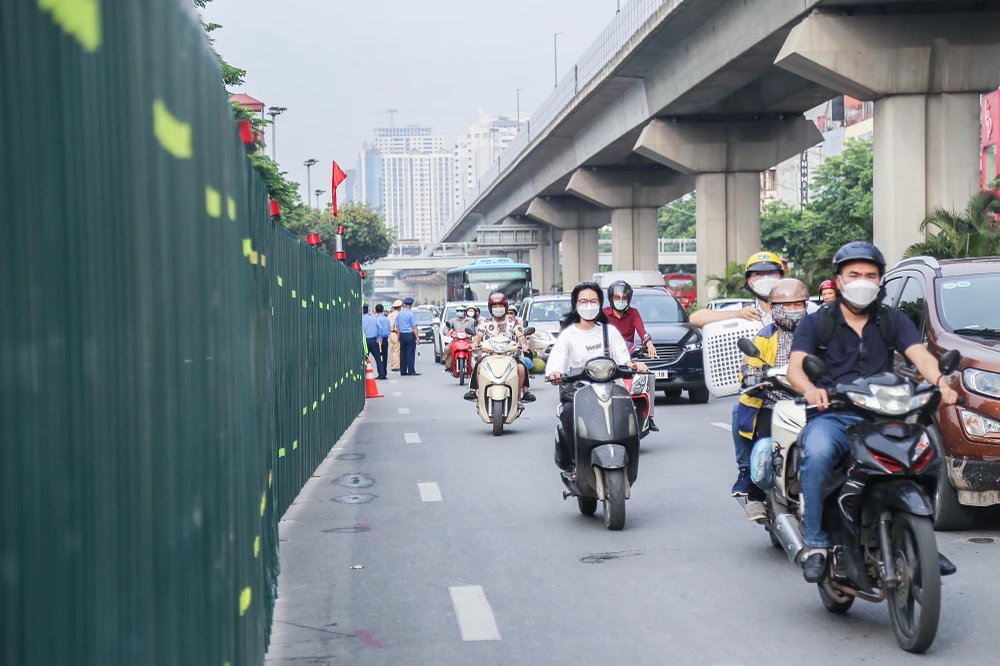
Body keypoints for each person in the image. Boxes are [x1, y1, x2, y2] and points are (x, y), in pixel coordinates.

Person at [787, 242, 959, 582]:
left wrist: (941, 382)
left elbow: (920, 356)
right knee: (818, 453)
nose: (862, 281)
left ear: (880, 281)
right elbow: (795, 368)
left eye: (870, 275)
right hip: (833, 415)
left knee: (925, 453)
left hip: (885, 416)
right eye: (854, 275)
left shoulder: (892, 319)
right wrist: (811, 389)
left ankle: (919, 537)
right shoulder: (816, 323)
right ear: (838, 280)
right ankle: (818, 543)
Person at [689, 252, 788, 500]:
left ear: (781, 276)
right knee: (739, 410)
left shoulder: (796, 305)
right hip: (760, 384)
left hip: (798, 382)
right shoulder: (745, 309)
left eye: (771, 273)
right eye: (758, 274)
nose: (765, 279)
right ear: (749, 281)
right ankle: (745, 470)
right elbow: (696, 318)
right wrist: (736, 315)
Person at [547, 281, 648, 473]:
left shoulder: (609, 331)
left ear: (600, 304)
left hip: (611, 388)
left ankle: (629, 460)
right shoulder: (568, 335)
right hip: (579, 391)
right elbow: (557, 361)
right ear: (575, 305)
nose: (589, 305)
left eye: (593, 301)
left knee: (630, 415)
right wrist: (555, 373)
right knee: (568, 413)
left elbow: (624, 360)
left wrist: (634, 365)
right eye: (583, 301)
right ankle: (576, 464)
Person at [736, 278, 811, 521]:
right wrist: (751, 376)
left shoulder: (815, 333)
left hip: (809, 398)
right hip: (773, 401)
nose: (794, 309)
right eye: (788, 305)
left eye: (799, 304)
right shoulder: (765, 336)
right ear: (775, 308)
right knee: (766, 446)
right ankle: (756, 496)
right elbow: (751, 362)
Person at [603, 280, 659, 432]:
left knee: (648, 375)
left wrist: (649, 344)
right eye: (617, 298)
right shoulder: (603, 314)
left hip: (628, 356)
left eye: (624, 298)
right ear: (611, 298)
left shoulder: (633, 313)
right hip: (607, 357)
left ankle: (649, 417)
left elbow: (641, 330)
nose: (621, 301)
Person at [464, 293, 535, 406]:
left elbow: (520, 336)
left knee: (521, 368)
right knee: (479, 366)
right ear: (490, 308)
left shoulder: (513, 322)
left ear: (505, 307)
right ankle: (475, 392)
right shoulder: (486, 323)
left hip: (510, 355)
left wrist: (524, 344)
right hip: (489, 355)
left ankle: (519, 397)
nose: (498, 309)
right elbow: (478, 335)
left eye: (500, 306)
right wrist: (474, 343)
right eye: (495, 306)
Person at [442, 306, 477, 372]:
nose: (459, 312)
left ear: (465, 312)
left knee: (477, 350)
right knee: (446, 348)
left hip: (468, 341)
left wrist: (474, 333)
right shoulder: (453, 321)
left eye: (461, 311)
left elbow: (477, 328)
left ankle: (475, 366)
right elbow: (446, 328)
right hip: (456, 341)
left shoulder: (471, 321)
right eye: (457, 311)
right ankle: (446, 362)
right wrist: (447, 332)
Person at [394, 297, 420, 376]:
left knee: (402, 353)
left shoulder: (399, 313)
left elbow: (397, 326)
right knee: (410, 353)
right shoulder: (411, 314)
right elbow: (414, 327)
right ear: (411, 305)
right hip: (409, 335)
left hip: (402, 335)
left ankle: (403, 371)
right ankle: (411, 370)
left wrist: (398, 335)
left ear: (404, 305)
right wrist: (417, 338)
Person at [362, 304, 381, 376]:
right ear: (368, 310)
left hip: (363, 342)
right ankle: (381, 374)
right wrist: (379, 338)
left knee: (363, 358)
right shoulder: (374, 319)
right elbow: (380, 329)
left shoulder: (359, 320)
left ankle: (363, 374)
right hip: (373, 340)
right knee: (378, 358)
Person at [374, 304, 391, 379]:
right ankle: (384, 371)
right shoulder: (386, 319)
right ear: (383, 310)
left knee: (379, 357)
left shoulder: (377, 319)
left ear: (375, 310)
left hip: (379, 340)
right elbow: (389, 329)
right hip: (385, 339)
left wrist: (379, 338)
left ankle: (381, 373)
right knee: (385, 356)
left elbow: (378, 329)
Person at [387, 300, 403, 372]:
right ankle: (396, 366)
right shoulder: (399, 315)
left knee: (392, 349)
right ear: (400, 307)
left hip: (391, 333)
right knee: (397, 350)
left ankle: (393, 364)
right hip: (396, 333)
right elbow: (398, 325)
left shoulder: (390, 315)